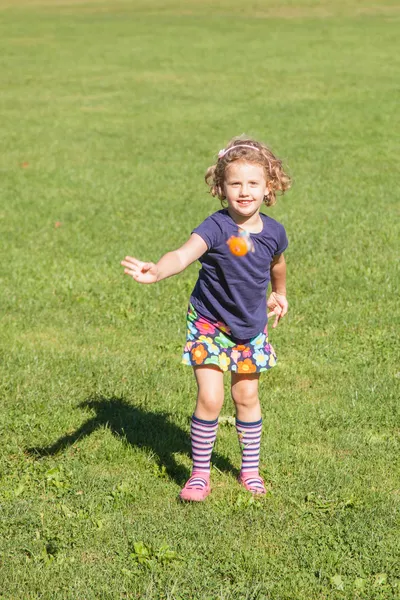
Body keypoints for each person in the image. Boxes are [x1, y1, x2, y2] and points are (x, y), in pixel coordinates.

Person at [121, 136, 291, 502]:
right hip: (210, 324)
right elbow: (183, 255)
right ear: (221, 187)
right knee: (211, 398)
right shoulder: (215, 227)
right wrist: (157, 271)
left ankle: (250, 471)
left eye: (253, 184)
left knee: (246, 396)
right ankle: (199, 474)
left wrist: (280, 294)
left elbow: (278, 264)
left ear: (268, 187)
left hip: (250, 326)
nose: (244, 191)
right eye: (235, 184)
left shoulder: (274, 232)